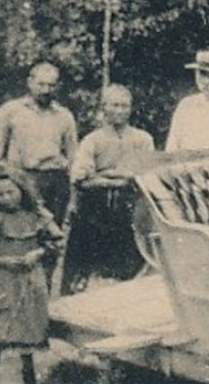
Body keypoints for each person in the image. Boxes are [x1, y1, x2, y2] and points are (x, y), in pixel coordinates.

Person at [0, 165, 66, 384]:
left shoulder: (37, 214)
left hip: (32, 280)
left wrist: (38, 253)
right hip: (4, 280)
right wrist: (5, 261)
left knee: (29, 329)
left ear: (22, 190)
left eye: (10, 192)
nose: (5, 198)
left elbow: (57, 241)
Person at [64, 83, 156, 290]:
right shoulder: (92, 140)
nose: (121, 111)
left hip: (130, 210)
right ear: (104, 108)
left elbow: (148, 175)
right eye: (115, 105)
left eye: (125, 106)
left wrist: (106, 174)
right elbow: (81, 178)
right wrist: (118, 179)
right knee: (89, 270)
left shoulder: (142, 139)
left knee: (131, 269)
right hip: (97, 211)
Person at [0, 62, 78, 256]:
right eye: (41, 84)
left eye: (51, 86)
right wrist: (7, 180)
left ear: (57, 86)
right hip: (22, 181)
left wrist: (71, 187)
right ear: (30, 83)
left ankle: (46, 284)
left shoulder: (64, 116)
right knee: (22, 239)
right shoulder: (10, 111)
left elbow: (73, 157)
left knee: (52, 241)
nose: (46, 90)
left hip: (55, 182)